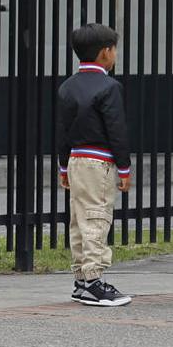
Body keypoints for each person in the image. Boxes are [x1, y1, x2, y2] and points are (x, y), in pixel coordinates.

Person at [55, 24, 134, 308]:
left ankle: (80, 279)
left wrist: (64, 167)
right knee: (97, 216)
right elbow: (117, 129)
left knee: (79, 219)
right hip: (99, 161)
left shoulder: (67, 87)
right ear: (106, 53)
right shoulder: (110, 87)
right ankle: (93, 280)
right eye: (114, 50)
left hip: (76, 159)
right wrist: (124, 168)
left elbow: (62, 131)